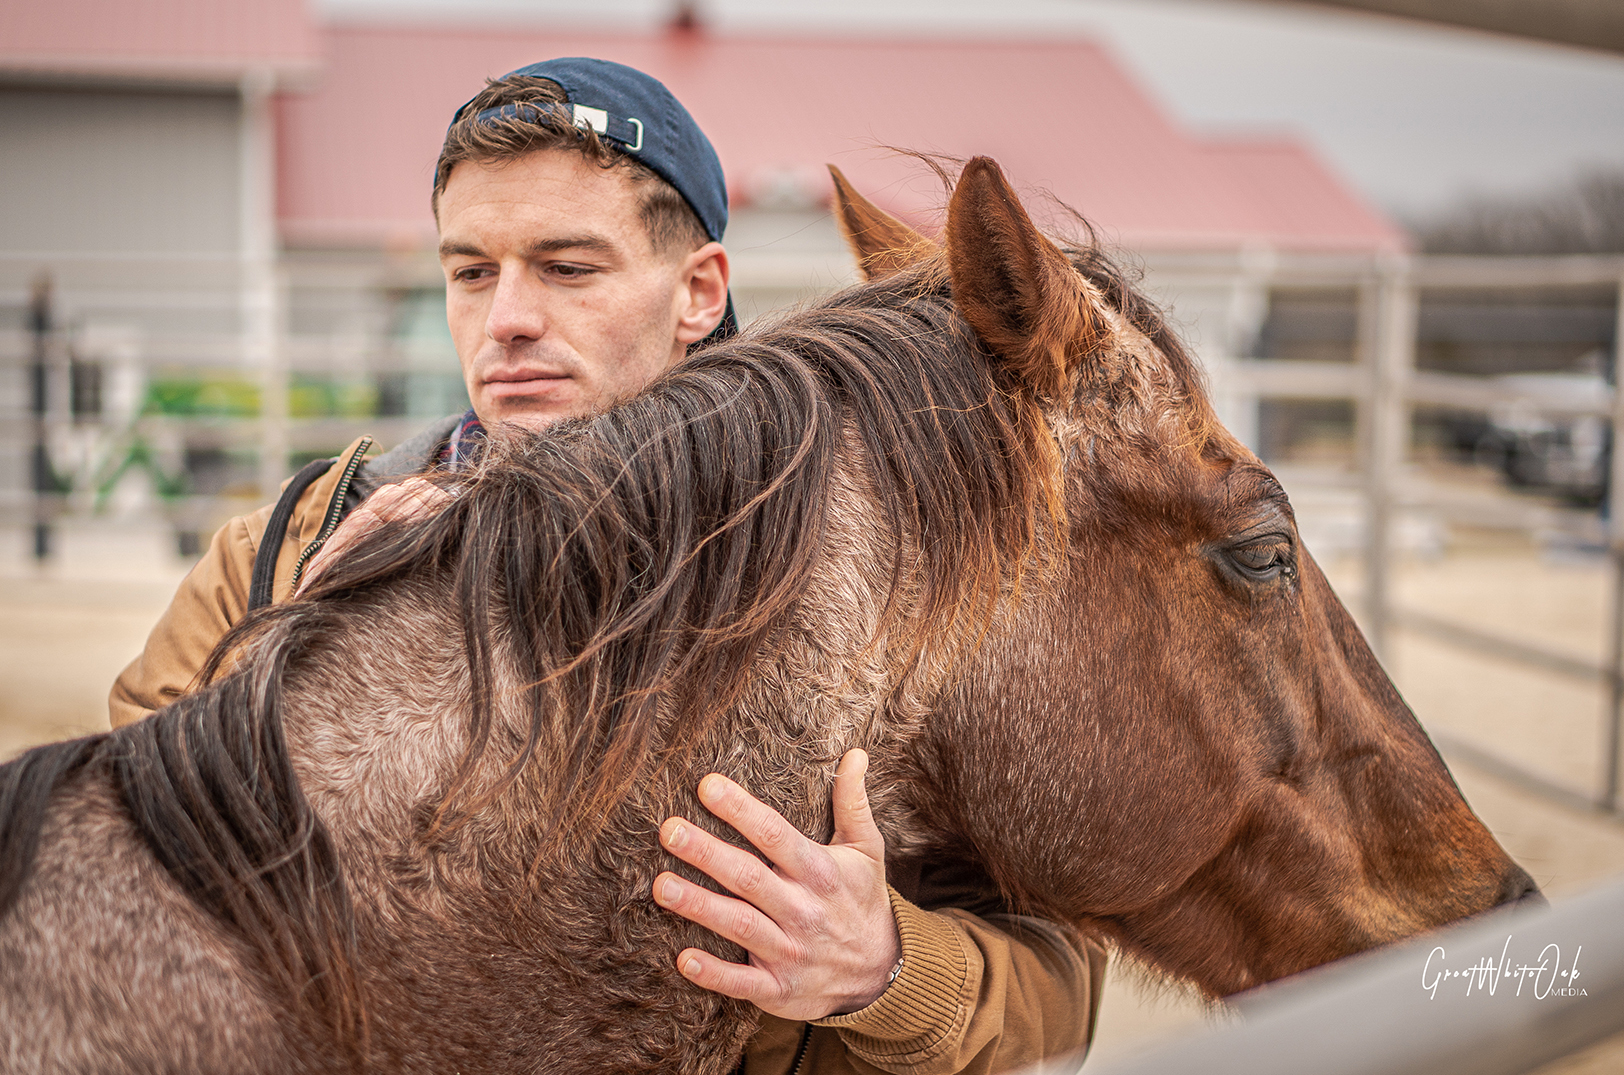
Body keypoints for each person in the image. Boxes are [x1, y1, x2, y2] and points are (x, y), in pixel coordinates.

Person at [108, 57, 1104, 1074]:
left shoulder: (897, 578)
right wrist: (290, 663)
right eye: (471, 272)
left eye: (568, 268)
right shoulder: (286, 554)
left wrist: (888, 966)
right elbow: (107, 895)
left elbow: (1064, 984)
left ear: (697, 290)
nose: (507, 320)